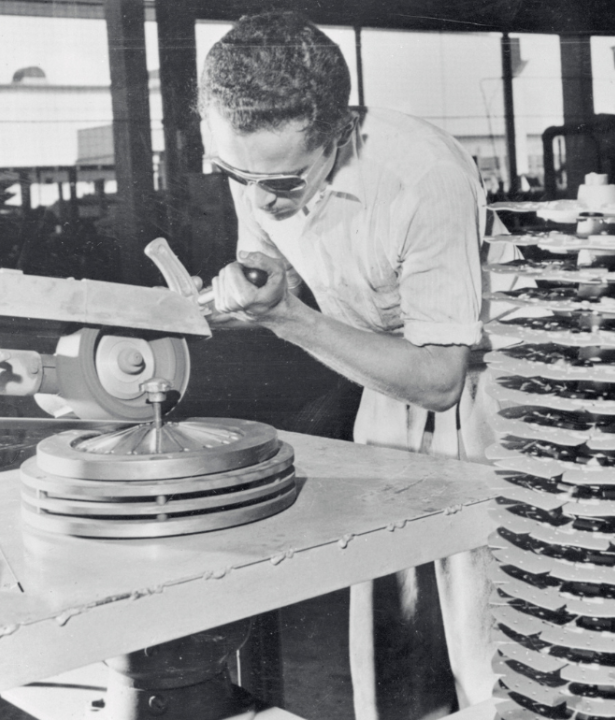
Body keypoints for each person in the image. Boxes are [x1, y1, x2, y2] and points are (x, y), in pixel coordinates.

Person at [196, 11, 496, 719]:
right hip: (382, 383)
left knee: (490, 647)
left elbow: (440, 378)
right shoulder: (261, 161)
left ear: (337, 133)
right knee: (394, 642)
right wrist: (249, 281)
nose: (258, 195)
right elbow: (266, 252)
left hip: (486, 399)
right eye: (234, 172)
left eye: (284, 182)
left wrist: (292, 320)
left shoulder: (422, 175)